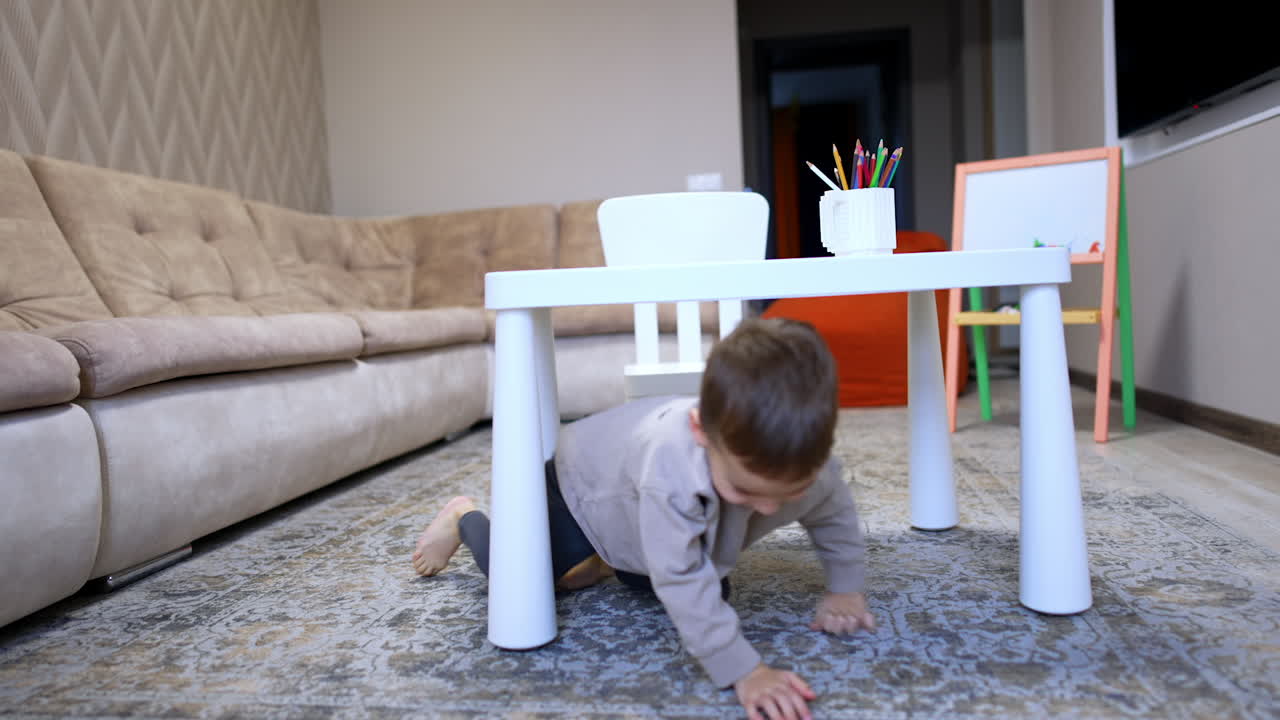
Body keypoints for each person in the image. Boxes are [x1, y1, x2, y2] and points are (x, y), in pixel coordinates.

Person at [412, 316, 874, 720]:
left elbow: (834, 516)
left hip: (642, 509)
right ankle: (463, 516)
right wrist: (745, 671)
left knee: (711, 588)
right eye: (745, 491)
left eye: (789, 492)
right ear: (700, 433)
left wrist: (846, 589)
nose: (769, 508)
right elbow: (681, 578)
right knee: (519, 580)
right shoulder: (672, 466)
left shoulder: (813, 468)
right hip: (582, 486)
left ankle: (609, 559)